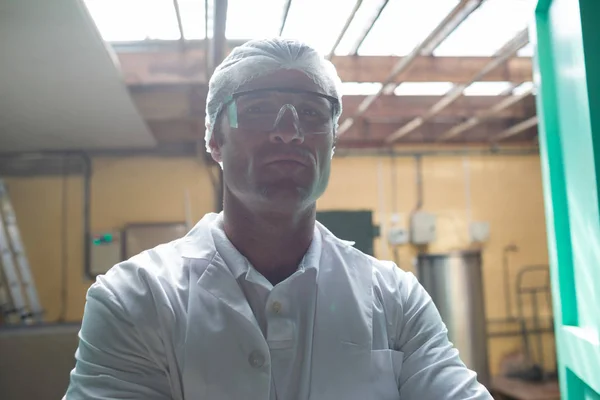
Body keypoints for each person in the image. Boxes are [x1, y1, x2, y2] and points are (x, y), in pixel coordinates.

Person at [65, 38, 492, 400]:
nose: (288, 130)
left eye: (311, 113)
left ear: (333, 141)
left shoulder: (396, 298)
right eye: (257, 108)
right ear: (214, 138)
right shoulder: (136, 300)